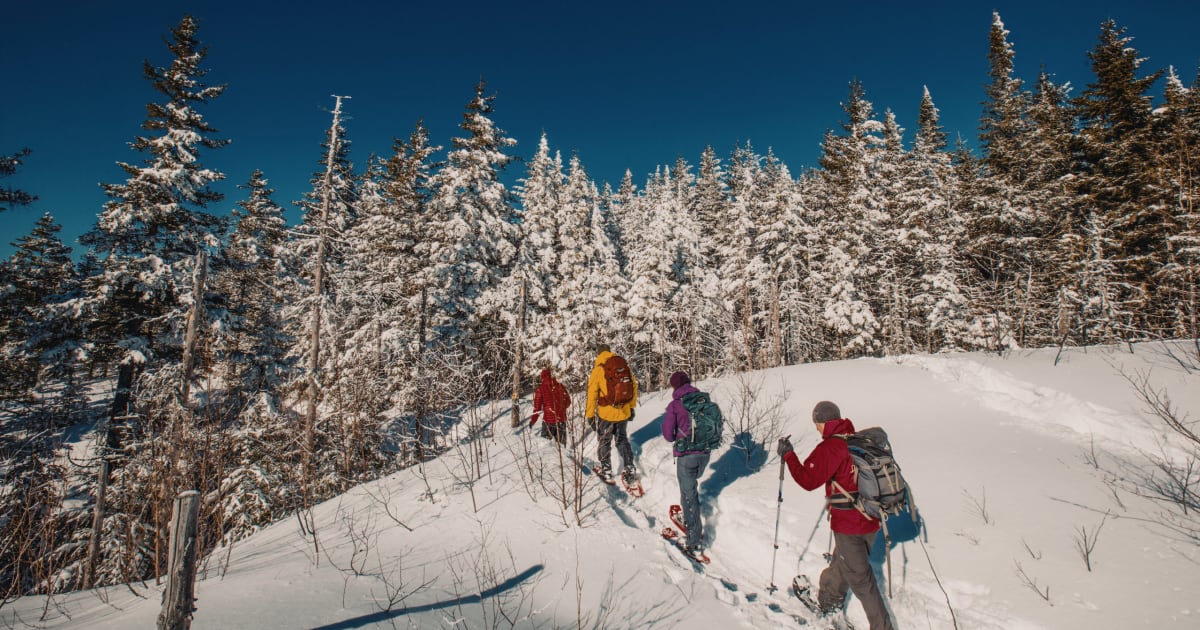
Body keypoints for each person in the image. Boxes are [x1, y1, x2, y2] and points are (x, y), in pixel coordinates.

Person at [778, 401, 895, 630]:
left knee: (862, 581)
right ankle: (829, 600)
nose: (816, 428)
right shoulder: (855, 440)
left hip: (849, 524)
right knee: (843, 561)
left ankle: (882, 627)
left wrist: (789, 455)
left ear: (822, 422)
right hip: (871, 518)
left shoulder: (831, 447)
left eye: (816, 423)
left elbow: (808, 480)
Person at [661, 370, 710, 554]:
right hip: (705, 453)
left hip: (687, 454)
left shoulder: (675, 405)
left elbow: (667, 434)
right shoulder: (704, 401)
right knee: (690, 491)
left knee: (688, 495)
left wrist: (677, 436)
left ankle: (693, 540)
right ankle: (691, 523)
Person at [584, 343, 638, 484]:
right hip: (623, 412)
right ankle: (629, 468)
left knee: (604, 440)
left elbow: (592, 395)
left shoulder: (598, 369)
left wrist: (590, 415)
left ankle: (606, 470)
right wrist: (631, 407)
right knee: (622, 439)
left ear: (599, 354)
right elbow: (633, 385)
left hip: (606, 414)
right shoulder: (622, 365)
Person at [530, 368, 570, 445]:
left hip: (548, 422)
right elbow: (568, 401)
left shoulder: (540, 389)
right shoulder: (560, 386)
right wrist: (561, 408)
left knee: (546, 448)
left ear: (542, 377)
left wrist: (533, 421)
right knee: (562, 449)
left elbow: (537, 408)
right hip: (561, 420)